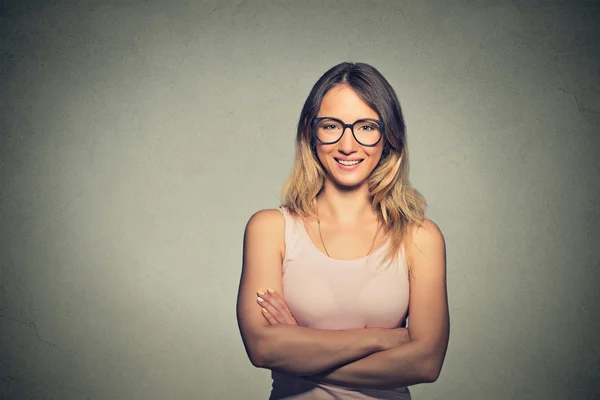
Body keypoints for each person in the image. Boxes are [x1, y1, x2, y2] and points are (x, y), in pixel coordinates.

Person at [236, 62, 449, 399]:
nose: (348, 145)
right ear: (311, 133)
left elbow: (425, 363)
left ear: (388, 137)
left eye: (365, 127)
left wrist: (300, 347)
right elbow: (263, 349)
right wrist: (380, 338)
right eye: (332, 126)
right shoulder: (271, 229)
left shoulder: (419, 237)